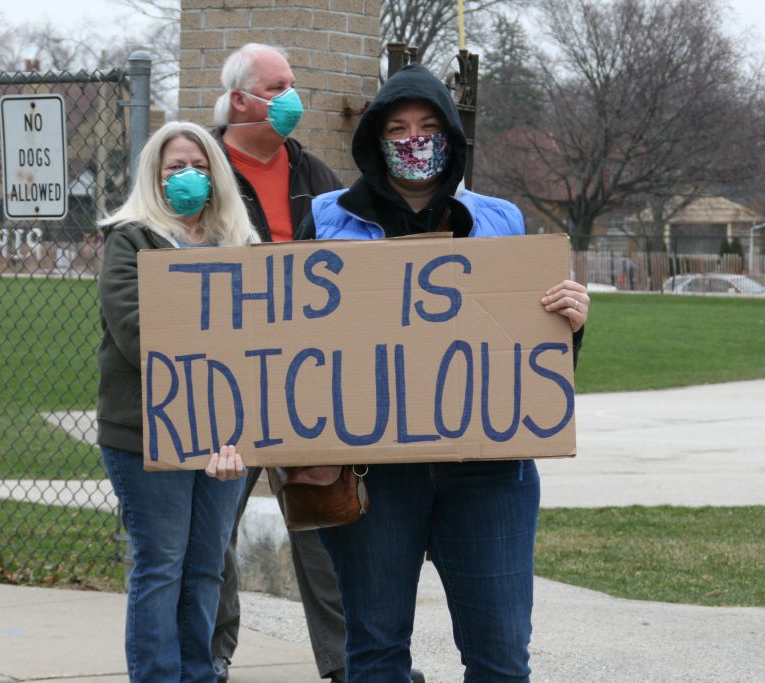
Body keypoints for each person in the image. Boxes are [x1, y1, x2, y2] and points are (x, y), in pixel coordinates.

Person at [296, 63, 590, 682]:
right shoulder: (326, 220)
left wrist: (571, 324)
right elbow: (290, 348)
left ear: (452, 138)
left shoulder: (501, 219)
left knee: (502, 658)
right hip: (374, 475)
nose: (413, 139)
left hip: (488, 476)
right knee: (374, 655)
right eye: (397, 127)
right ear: (375, 138)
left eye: (429, 126)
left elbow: (524, 353)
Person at [210, 43, 394, 683]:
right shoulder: (198, 172)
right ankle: (210, 655)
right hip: (225, 380)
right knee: (212, 528)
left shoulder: (316, 175)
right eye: (278, 85)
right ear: (240, 100)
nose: (292, 96)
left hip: (306, 379)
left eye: (294, 82)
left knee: (326, 522)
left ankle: (349, 663)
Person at [96, 120, 255, 682]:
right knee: (161, 566)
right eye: (173, 168)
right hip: (145, 430)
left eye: (197, 165)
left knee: (207, 567)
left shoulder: (242, 243)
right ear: (154, 178)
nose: (187, 176)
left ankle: (199, 674)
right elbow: (134, 328)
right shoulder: (130, 238)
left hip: (229, 436)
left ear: (216, 173)